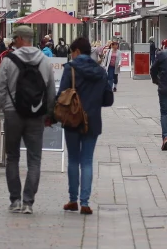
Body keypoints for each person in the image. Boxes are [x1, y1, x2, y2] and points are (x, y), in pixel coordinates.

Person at [0, 26, 56, 215]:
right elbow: (51, 92)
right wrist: (47, 114)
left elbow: (0, 88)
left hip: (13, 114)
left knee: (12, 157)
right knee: (35, 159)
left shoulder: (8, 61)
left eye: (15, 39)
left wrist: (7, 107)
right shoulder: (45, 62)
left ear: (21, 39)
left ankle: (15, 200)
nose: (13, 43)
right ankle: (28, 202)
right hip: (36, 115)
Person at [59, 37, 114, 215]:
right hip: (93, 120)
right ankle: (85, 202)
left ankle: (73, 200)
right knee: (87, 161)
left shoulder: (70, 68)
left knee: (74, 160)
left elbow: (62, 95)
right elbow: (108, 99)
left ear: (76, 51)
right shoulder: (100, 71)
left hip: (73, 119)